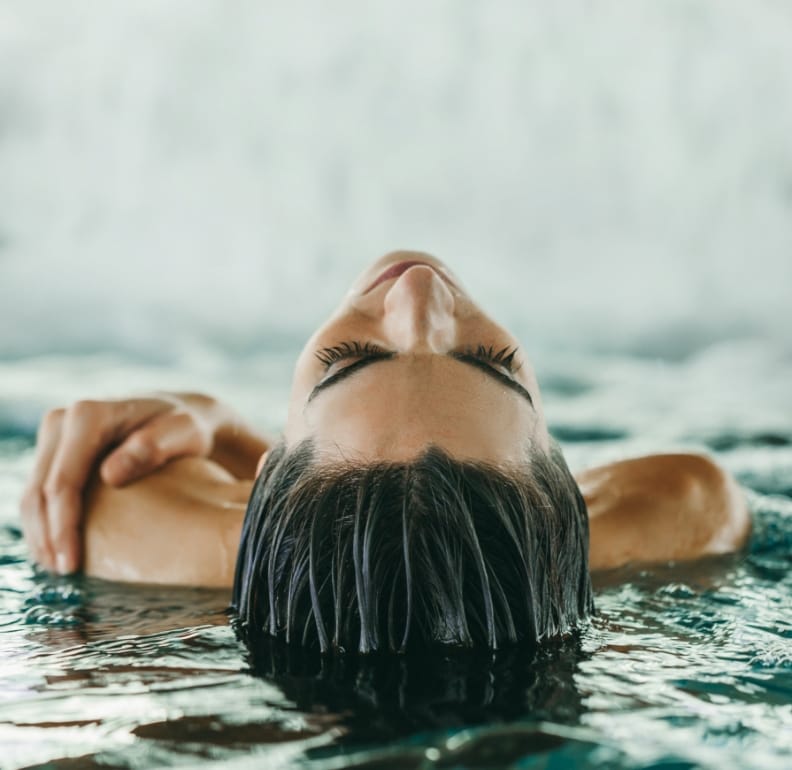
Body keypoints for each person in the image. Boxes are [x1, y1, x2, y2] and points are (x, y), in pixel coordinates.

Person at [18, 251, 751, 654]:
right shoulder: (685, 510)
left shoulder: (121, 531)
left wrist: (228, 431)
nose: (420, 294)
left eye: (345, 360)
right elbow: (696, 494)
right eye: (494, 362)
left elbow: (105, 499)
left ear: (257, 497)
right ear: (571, 501)